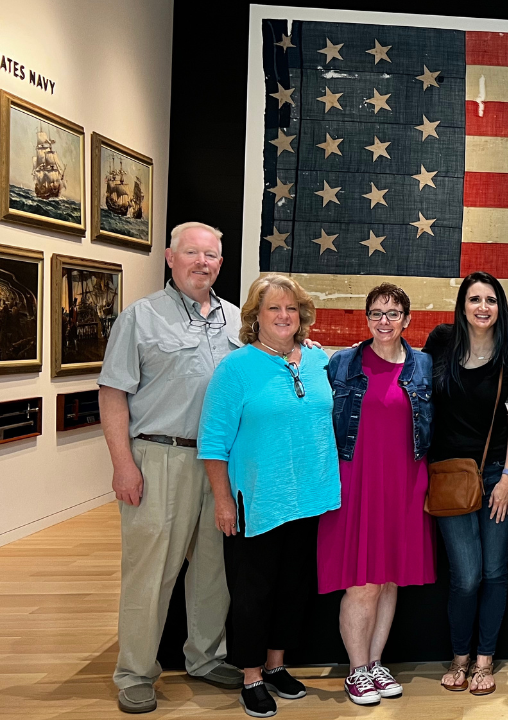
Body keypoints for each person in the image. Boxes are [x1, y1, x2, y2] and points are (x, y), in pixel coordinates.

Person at [98, 222, 245, 714]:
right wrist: (123, 464)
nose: (202, 262)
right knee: (150, 573)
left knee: (213, 569)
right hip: (160, 456)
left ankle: (205, 657)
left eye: (211, 255)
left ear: (221, 263)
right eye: (192, 253)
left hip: (220, 463)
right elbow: (113, 393)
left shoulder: (236, 321)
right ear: (170, 257)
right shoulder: (140, 318)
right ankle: (135, 672)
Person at [198, 274, 341, 718]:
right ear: (254, 316)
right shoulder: (235, 369)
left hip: (310, 499)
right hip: (255, 502)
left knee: (293, 589)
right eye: (274, 308)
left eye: (291, 309)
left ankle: (277, 666)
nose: (284, 316)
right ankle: (251, 676)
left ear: (303, 317)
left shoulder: (318, 361)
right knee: (252, 592)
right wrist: (223, 501)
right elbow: (212, 443)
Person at [318, 283, 435, 706]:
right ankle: (356, 670)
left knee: (389, 580)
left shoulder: (422, 365)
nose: (383, 321)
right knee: (362, 582)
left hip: (405, 481)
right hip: (356, 480)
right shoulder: (343, 362)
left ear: (407, 319)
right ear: (366, 319)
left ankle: (375, 662)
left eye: (392, 313)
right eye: (376, 313)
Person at [423, 271, 508, 696]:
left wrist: (507, 477)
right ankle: (459, 656)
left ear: (499, 307)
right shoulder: (441, 342)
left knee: (495, 571)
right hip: (449, 473)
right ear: (462, 305)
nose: (482, 307)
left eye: (490, 300)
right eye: (474, 299)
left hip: (496, 473)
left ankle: (485, 660)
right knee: (466, 576)